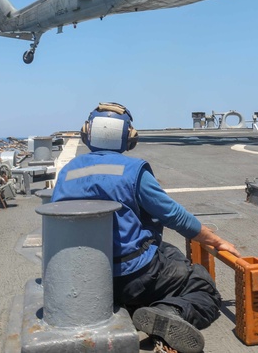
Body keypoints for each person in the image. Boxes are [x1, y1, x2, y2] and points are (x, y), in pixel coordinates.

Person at [52, 103, 239, 353]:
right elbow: (175, 216)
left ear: (86, 133)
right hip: (132, 275)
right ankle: (167, 312)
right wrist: (216, 241)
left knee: (168, 252)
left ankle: (133, 309)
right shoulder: (132, 171)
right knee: (203, 287)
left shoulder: (67, 172)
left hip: (85, 277)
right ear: (129, 137)